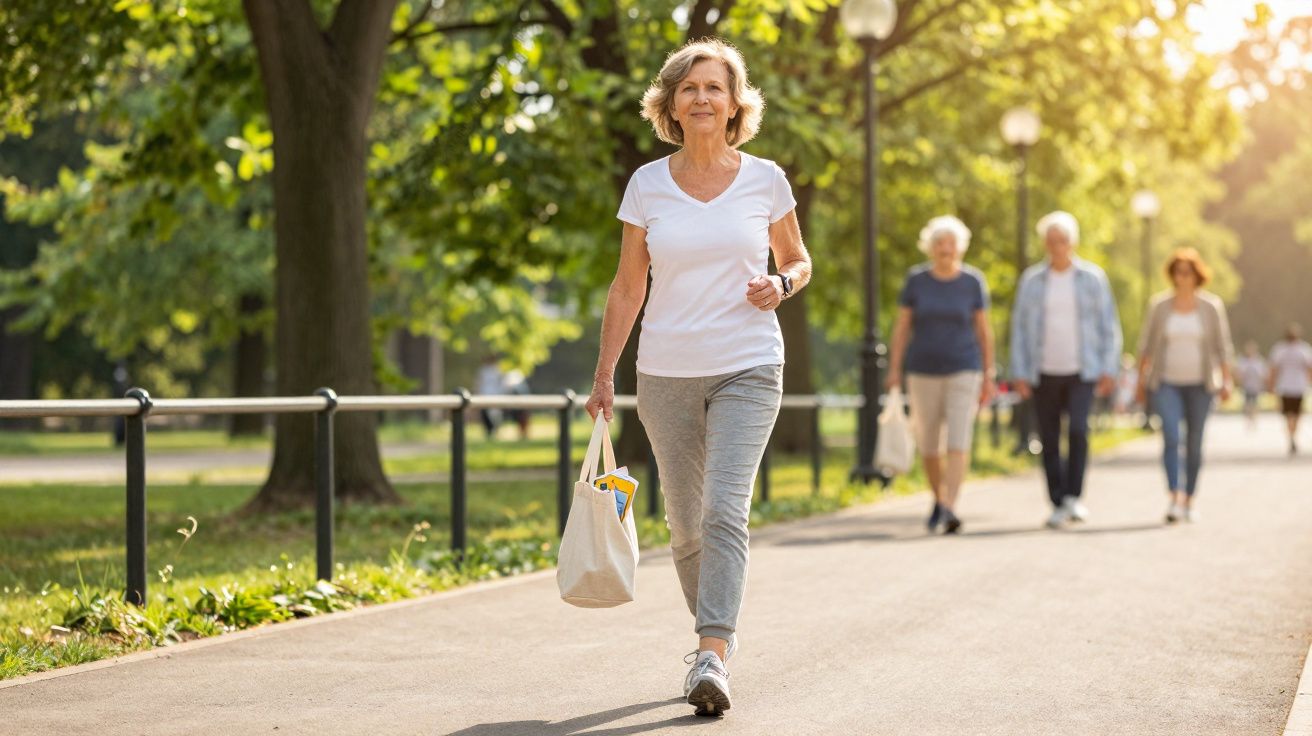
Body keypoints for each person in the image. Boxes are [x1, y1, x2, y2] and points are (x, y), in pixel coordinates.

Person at [583, 38, 810, 718]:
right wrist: (603, 375)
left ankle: (712, 651)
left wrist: (781, 283)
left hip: (749, 363)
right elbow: (628, 289)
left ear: (735, 103)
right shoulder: (647, 185)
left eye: (715, 87)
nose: (703, 98)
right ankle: (713, 637)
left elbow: (798, 260)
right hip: (666, 371)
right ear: (671, 106)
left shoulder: (765, 178)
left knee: (722, 510)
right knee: (684, 526)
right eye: (690, 88)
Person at [1010, 211, 1122, 529]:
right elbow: (1019, 328)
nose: (1057, 246)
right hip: (1042, 370)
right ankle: (1057, 500)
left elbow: (1108, 326)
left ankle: (1075, 496)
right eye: (1052, 240)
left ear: (1072, 242)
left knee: (1078, 430)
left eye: (1063, 240)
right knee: (1048, 436)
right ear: (1045, 243)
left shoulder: (1092, 278)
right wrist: (1019, 370)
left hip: (1082, 370)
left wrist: (1109, 367)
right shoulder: (1032, 281)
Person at [886, 215, 994, 535]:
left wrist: (988, 374)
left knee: (958, 439)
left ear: (960, 248)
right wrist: (894, 369)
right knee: (929, 443)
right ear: (931, 248)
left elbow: (984, 332)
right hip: (922, 370)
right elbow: (902, 327)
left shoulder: (973, 282)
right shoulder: (916, 281)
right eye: (939, 244)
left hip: (965, 368)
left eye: (951, 244)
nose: (945, 249)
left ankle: (949, 506)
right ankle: (937, 498)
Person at [1135, 249, 1234, 523]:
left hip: (1201, 385)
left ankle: (1190, 498)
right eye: (1178, 271)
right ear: (1173, 275)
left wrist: (1226, 381)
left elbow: (1222, 347)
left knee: (1194, 442)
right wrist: (1139, 381)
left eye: (1187, 271)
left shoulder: (1211, 306)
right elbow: (1146, 346)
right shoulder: (1160, 306)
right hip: (1166, 382)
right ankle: (1174, 497)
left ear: (1196, 274)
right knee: (1171, 436)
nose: (1182, 277)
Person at [1269, 323, 1312, 455]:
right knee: (1296, 414)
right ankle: (1293, 436)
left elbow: (1274, 369)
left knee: (1290, 415)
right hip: (1295, 387)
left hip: (1289, 387)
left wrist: (1271, 384)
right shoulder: (1303, 349)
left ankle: (1291, 437)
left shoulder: (1281, 349)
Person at [1235, 340, 1268, 429]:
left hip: (1256, 386)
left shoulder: (1259, 360)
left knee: (1255, 403)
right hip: (1246, 386)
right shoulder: (1242, 360)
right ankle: (1248, 418)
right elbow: (1238, 373)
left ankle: (1254, 418)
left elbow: (1263, 373)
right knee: (1247, 403)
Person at [476, 356, 505, 439]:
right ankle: (488, 432)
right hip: (484, 395)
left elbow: (501, 384)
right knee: (485, 414)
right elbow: (479, 383)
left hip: (495, 395)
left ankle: (496, 431)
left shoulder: (498, 371)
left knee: (495, 414)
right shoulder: (483, 370)